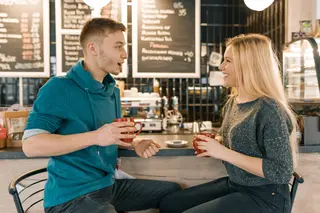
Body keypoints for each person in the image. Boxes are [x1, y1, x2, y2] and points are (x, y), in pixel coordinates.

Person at [22, 18, 181, 213]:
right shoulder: (59, 88)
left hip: (107, 186)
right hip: (69, 197)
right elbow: (31, 145)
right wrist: (97, 136)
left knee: (174, 194)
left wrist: (133, 143)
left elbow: (109, 137)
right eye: (118, 46)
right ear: (93, 48)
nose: (125, 54)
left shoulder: (111, 89)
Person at [160, 34, 298, 213]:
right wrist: (215, 143)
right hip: (236, 185)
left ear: (247, 66)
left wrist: (223, 152)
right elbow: (226, 137)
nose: (221, 66)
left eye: (228, 61)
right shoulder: (234, 101)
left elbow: (281, 172)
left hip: (266, 198)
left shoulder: (270, 110)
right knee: (170, 204)